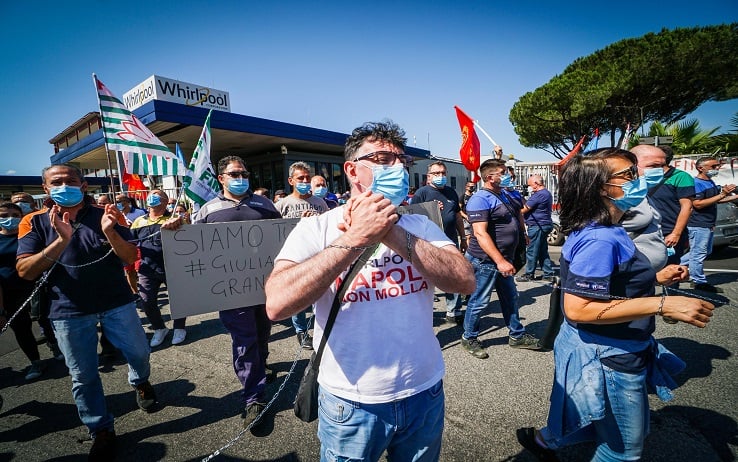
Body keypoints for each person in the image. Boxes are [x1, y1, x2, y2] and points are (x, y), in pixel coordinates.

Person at [265, 120, 475, 460]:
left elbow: (464, 281)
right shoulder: (317, 228)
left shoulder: (418, 224)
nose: (397, 169)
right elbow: (276, 304)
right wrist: (354, 238)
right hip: (350, 403)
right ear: (352, 170)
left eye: (401, 162)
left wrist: (388, 231)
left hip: (424, 392)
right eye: (381, 159)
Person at [516, 148, 714, 462]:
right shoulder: (601, 239)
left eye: (637, 170)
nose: (639, 179)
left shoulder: (612, 230)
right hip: (608, 355)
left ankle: (544, 441)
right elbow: (578, 309)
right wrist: (661, 305)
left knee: (610, 429)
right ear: (601, 187)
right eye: (629, 174)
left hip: (617, 348)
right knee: (622, 452)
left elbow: (612, 284)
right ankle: (546, 440)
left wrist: (655, 277)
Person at [16, 164, 157, 461]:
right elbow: (25, 271)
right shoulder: (34, 221)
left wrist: (110, 232)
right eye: (57, 181)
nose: (65, 185)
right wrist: (61, 240)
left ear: (82, 185)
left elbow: (131, 256)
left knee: (140, 352)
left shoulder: (106, 214)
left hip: (117, 303)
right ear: (45, 187)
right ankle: (100, 429)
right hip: (68, 312)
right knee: (83, 375)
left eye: (71, 180)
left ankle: (140, 381)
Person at [192, 155, 280, 428]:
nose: (240, 178)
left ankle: (260, 365)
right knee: (245, 340)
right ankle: (253, 398)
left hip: (265, 287)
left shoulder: (265, 205)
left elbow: (283, 237)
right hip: (231, 291)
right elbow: (193, 247)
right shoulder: (207, 211)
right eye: (234, 174)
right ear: (221, 178)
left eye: (243, 173)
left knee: (262, 334)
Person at [461, 158, 540, 359]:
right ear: (490, 178)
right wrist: (500, 261)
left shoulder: (503, 194)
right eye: (503, 172)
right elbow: (480, 233)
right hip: (486, 262)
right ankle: (469, 337)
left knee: (510, 298)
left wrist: (522, 233)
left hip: (504, 259)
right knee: (479, 301)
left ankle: (517, 335)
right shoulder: (480, 199)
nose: (508, 175)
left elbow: (517, 213)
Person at [276, 161, 330, 350]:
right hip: (295, 259)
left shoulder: (319, 202)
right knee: (298, 296)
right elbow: (274, 232)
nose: (305, 181)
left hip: (318, 257)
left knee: (320, 294)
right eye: (301, 178)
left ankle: (322, 328)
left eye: (307, 178)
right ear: (291, 180)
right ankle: (301, 331)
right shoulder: (282, 205)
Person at [411, 161, 466, 323]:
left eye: (443, 173)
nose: (440, 176)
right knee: (426, 278)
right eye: (436, 173)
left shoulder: (451, 192)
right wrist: (429, 209)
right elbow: (412, 217)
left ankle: (453, 311)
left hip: (449, 243)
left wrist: (463, 237)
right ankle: (424, 313)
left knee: (453, 275)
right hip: (428, 244)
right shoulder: (422, 193)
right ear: (429, 177)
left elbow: (457, 216)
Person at [130, 189, 187, 347]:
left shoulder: (175, 218)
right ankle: (159, 328)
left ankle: (180, 328)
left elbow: (188, 240)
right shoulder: (139, 221)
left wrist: (181, 223)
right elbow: (131, 243)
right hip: (147, 268)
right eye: (150, 194)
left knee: (178, 300)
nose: (151, 196)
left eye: (156, 194)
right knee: (146, 300)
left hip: (173, 267)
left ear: (165, 200)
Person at [0, 202, 45, 381]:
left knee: (46, 320)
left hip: (35, 287)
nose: (9, 219)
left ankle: (56, 347)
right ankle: (35, 361)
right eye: (4, 215)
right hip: (8, 291)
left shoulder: (28, 236)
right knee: (21, 328)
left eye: (14, 215)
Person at [679, 156, 738, 293]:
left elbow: (715, 200)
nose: (717, 168)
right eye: (713, 166)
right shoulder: (696, 183)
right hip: (698, 223)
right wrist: (723, 194)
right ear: (701, 168)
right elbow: (697, 204)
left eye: (717, 166)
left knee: (704, 251)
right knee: (698, 254)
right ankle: (698, 281)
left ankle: (674, 265)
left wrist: (733, 197)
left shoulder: (710, 182)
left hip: (708, 223)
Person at [631, 144, 694, 265]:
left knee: (671, 271)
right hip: (639, 240)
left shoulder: (681, 177)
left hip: (668, 233)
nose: (658, 170)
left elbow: (687, 207)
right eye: (653, 165)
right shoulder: (628, 186)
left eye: (661, 165)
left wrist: (676, 233)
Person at [517, 174, 555, 282]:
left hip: (538, 226)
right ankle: (548, 273)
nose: (529, 187)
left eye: (530, 185)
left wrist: (512, 211)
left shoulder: (540, 195)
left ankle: (529, 274)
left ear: (536, 184)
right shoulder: (544, 193)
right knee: (542, 251)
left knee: (532, 251)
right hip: (542, 225)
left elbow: (524, 209)